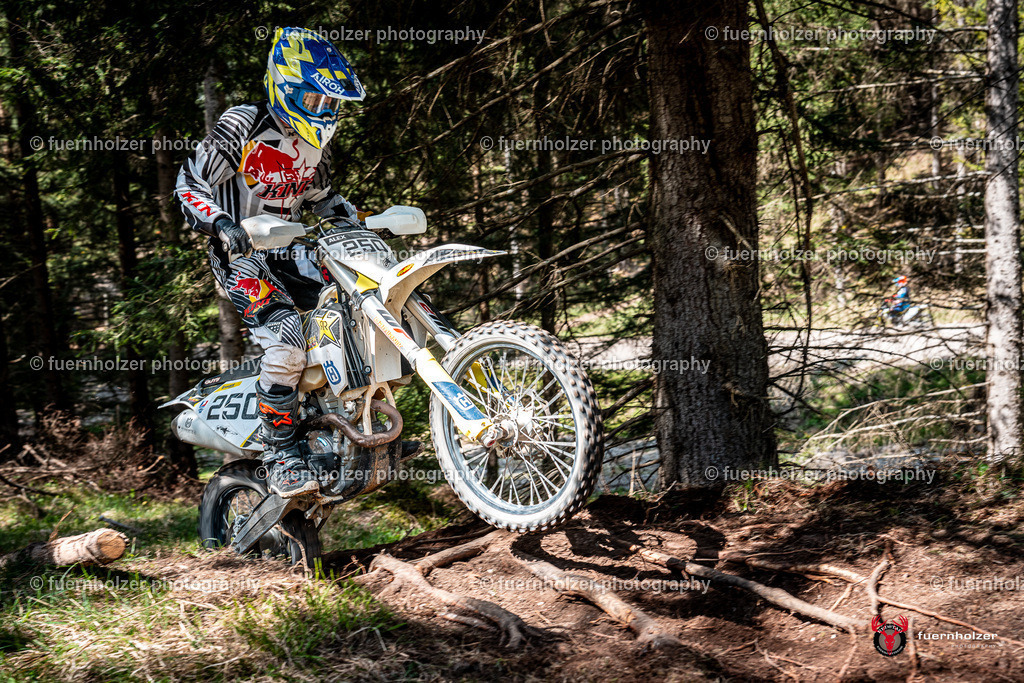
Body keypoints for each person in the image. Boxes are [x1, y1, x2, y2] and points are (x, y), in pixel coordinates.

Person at [176, 27, 412, 498]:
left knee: (359, 308)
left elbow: (321, 198)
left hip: (294, 248)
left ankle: (357, 424)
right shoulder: (243, 124)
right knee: (286, 343)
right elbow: (189, 183)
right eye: (314, 99)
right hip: (243, 255)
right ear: (284, 88)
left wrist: (361, 221)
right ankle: (280, 452)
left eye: (330, 103)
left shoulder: (314, 144)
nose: (323, 111)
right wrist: (223, 224)